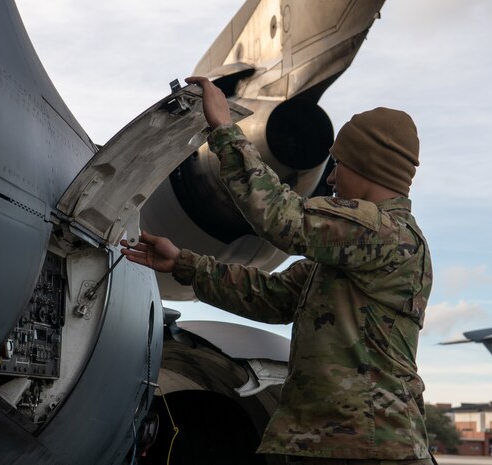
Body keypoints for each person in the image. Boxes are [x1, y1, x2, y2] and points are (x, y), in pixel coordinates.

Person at [121, 76, 433, 465]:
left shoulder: (382, 231)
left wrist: (223, 129)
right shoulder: (361, 246)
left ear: (368, 166)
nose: (331, 179)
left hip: (362, 444)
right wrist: (184, 263)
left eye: (340, 165)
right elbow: (273, 297)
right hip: (339, 441)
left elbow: (281, 216)